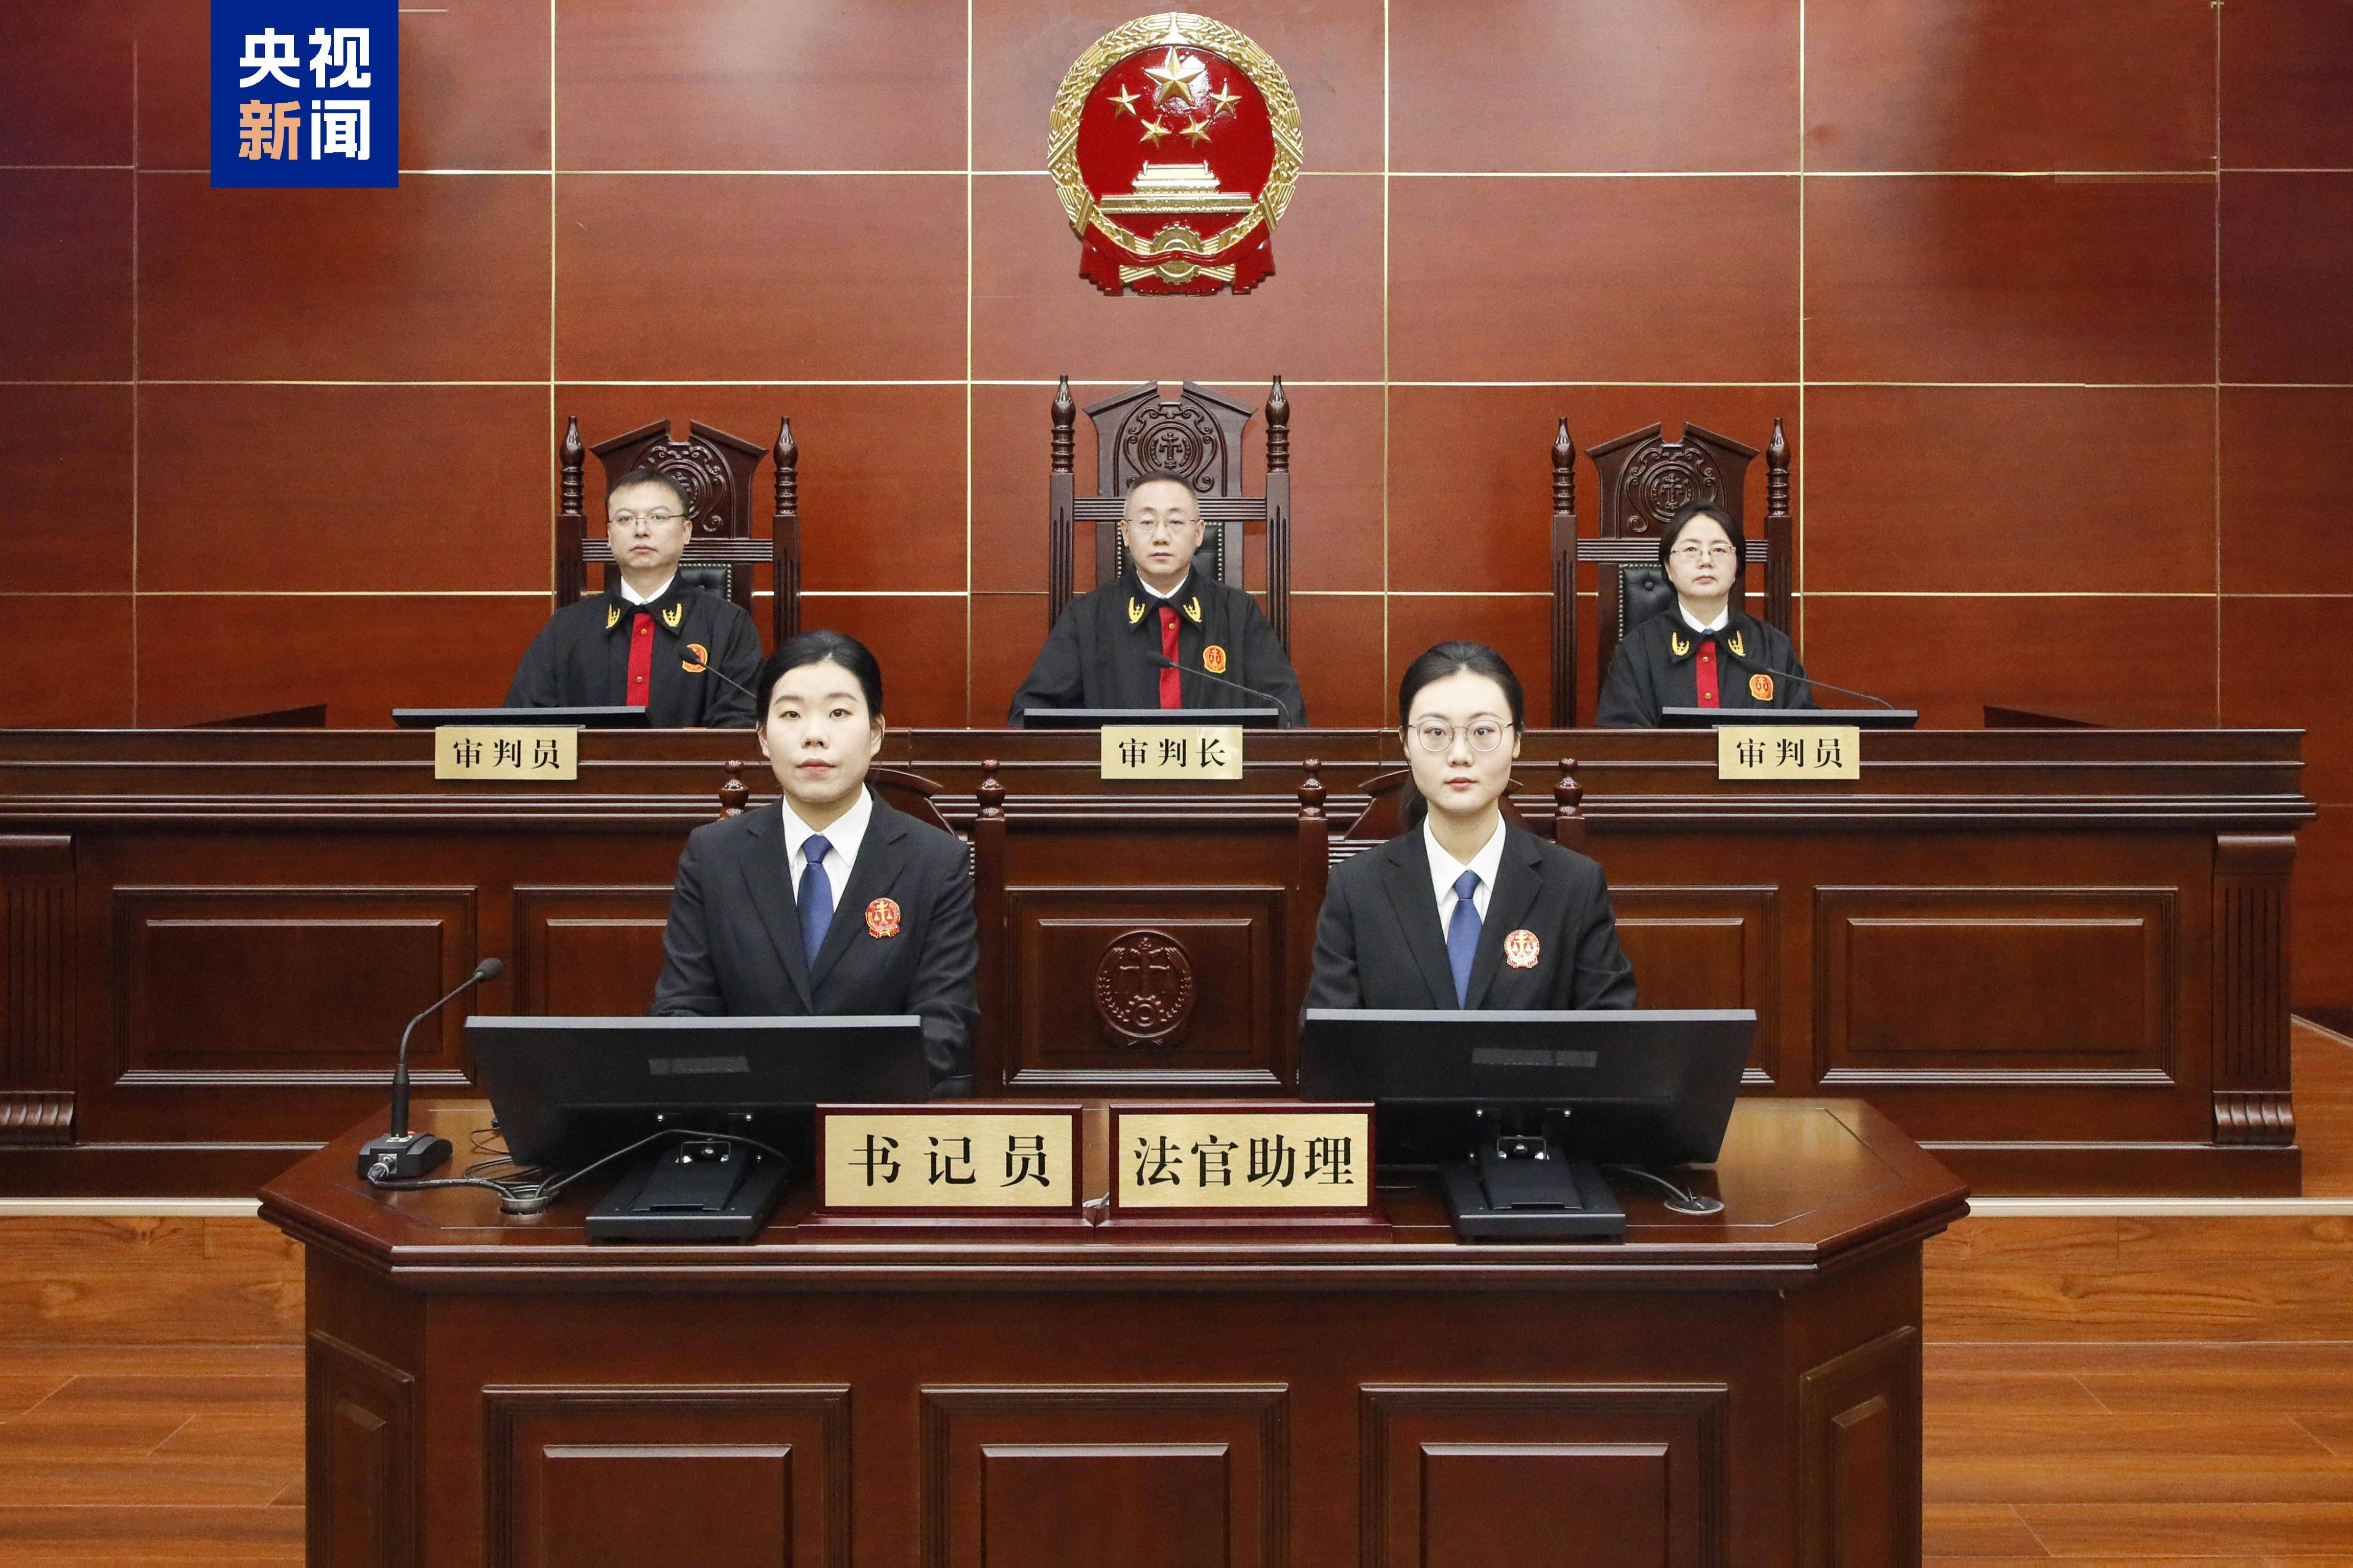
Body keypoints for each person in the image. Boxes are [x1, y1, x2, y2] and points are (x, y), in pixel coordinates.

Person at [652, 630, 977, 1094]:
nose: (814, 736)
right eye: (791, 714)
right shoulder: (714, 855)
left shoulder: (936, 861)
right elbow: (683, 1009)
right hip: (746, 1115)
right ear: (763, 738)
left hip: (877, 1118)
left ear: (875, 734)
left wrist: (835, 1103)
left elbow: (942, 1025)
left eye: (839, 713)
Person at [1307, 641, 1636, 1011]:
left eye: (1482, 732)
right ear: (1405, 743)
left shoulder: (1575, 887)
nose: (1460, 755)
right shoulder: (1356, 890)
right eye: (1436, 733)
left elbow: (1608, 1034)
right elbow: (1328, 1036)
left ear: (1517, 740)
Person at [1009, 474, 1306, 725]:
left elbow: (1286, 714)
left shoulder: (1239, 614)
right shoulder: (1086, 617)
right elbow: (1030, 716)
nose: (1161, 536)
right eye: (1147, 522)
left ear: (1199, 533)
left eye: (1175, 522)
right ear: (1126, 533)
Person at [505, 466, 763, 726]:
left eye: (658, 517)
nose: (641, 530)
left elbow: (741, 723)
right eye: (625, 519)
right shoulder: (566, 628)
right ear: (609, 535)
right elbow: (525, 723)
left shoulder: (729, 626)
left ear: (686, 531)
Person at [1594, 500, 1815, 728]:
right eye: (1691, 550)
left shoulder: (1773, 648)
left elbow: (1806, 736)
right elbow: (1622, 741)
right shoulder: (1636, 652)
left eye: (1719, 550)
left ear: (1737, 565)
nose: (1706, 561)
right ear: (1668, 568)